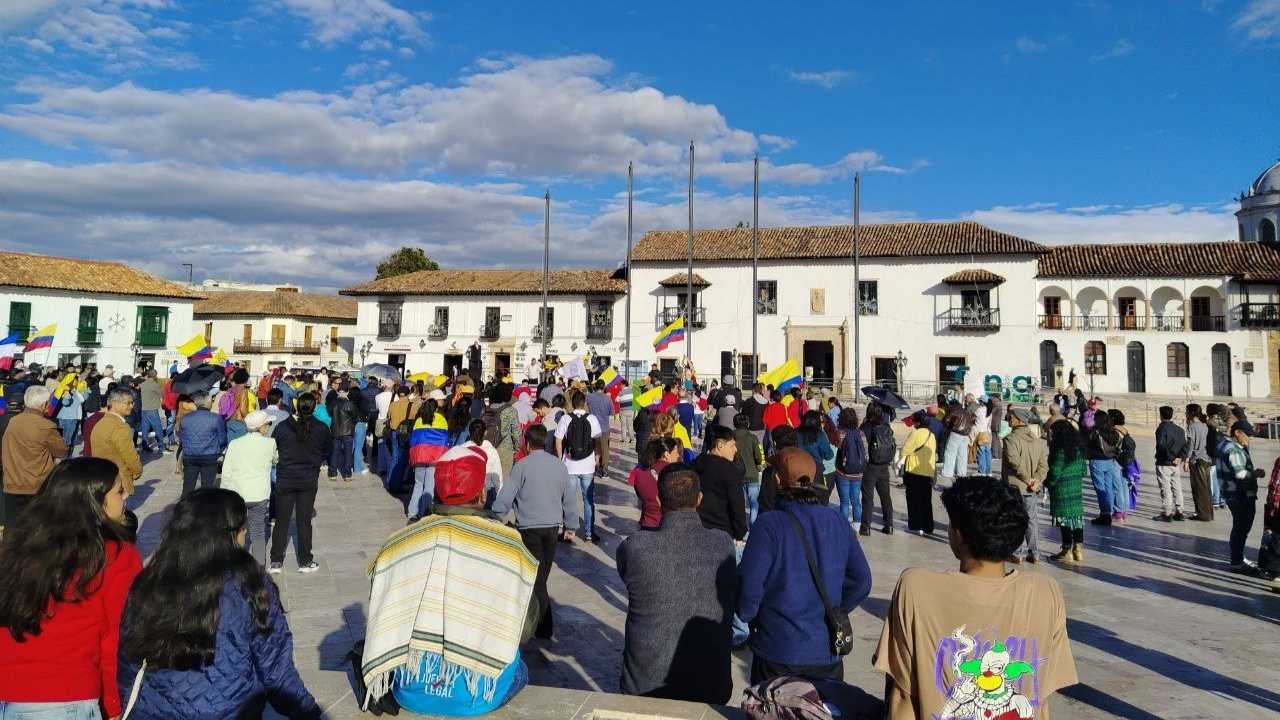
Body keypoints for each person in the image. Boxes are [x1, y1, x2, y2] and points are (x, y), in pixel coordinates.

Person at [873, 476, 1078, 720]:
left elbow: (903, 698)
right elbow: (1041, 701)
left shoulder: (916, 588)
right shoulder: (1046, 593)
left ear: (959, 533)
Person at [118, 488, 319, 718]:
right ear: (231, 534)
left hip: (154, 711)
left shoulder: (150, 580)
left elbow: (127, 662)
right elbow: (276, 670)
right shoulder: (249, 583)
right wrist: (309, 712)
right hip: (226, 710)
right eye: (242, 528)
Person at [0, 457, 141, 719]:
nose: (126, 497)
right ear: (95, 502)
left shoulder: (18, 547)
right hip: (63, 697)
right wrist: (112, 703)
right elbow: (118, 638)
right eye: (119, 491)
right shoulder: (115, 556)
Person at [737, 447, 872, 684]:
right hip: (826, 652)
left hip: (778, 651)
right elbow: (862, 581)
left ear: (777, 479)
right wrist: (835, 611)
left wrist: (752, 616)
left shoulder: (768, 526)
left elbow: (749, 589)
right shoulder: (836, 520)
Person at [617, 467, 736, 703]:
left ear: (659, 499)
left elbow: (625, 572)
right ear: (699, 499)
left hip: (646, 683)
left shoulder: (635, 547)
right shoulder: (723, 543)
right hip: (711, 682)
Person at [491, 424, 579, 639]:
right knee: (541, 577)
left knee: (536, 579)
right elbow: (569, 498)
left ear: (527, 444)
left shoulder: (521, 466)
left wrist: (495, 514)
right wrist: (571, 525)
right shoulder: (559, 466)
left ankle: (543, 624)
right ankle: (539, 625)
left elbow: (506, 496)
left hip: (528, 529)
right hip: (551, 529)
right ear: (545, 443)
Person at [269, 393, 332, 574]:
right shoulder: (321, 428)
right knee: (304, 521)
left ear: (296, 406)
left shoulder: (282, 427)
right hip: (308, 478)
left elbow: (275, 446)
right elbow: (328, 450)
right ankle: (305, 560)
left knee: (282, 520)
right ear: (314, 407)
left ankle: (276, 561)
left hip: (286, 477)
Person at [1, 385, 69, 525]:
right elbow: (62, 451)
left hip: (12, 481)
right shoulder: (45, 425)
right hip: (35, 485)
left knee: (13, 527)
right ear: (44, 404)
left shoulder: (14, 421)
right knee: (35, 528)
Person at [220, 410, 278, 566]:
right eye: (268, 424)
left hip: (237, 493)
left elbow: (226, 472)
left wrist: (225, 493)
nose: (268, 426)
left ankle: (237, 564)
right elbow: (275, 460)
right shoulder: (270, 443)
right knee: (258, 531)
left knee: (238, 530)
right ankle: (259, 567)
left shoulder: (234, 444)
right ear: (260, 427)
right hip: (259, 494)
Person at [1218, 420, 1267, 575]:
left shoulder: (1224, 445)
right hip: (1240, 494)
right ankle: (1237, 561)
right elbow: (1240, 474)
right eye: (1247, 435)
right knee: (1241, 528)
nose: (1249, 439)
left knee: (1239, 527)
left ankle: (1237, 557)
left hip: (1231, 493)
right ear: (1237, 433)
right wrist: (1256, 473)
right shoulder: (1234, 450)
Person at [555, 391, 603, 543]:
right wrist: (597, 457)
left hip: (569, 465)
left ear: (573, 403)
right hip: (588, 466)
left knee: (569, 500)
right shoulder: (592, 419)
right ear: (585, 403)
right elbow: (598, 440)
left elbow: (558, 439)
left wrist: (559, 458)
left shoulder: (565, 418)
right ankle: (589, 533)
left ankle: (569, 531)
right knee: (588, 501)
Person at [1003, 406, 1047, 564]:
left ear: (1019, 420)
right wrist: (1037, 480)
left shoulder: (1010, 439)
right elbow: (1044, 466)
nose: (1008, 419)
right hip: (1031, 488)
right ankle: (1034, 553)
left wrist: (1029, 480)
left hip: (1016, 486)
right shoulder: (1037, 440)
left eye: (1011, 417)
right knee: (1031, 520)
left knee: (1015, 519)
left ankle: (1017, 553)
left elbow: (1015, 463)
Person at [693, 426, 750, 543]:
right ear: (720, 445)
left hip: (696, 528)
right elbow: (737, 506)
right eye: (732, 445)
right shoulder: (730, 471)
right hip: (722, 533)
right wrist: (740, 532)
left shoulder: (695, 464)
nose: (735, 450)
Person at [1045, 417, 1087, 563]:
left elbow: (1055, 471)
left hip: (1062, 488)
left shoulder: (1060, 450)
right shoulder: (1079, 448)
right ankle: (1078, 549)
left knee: (1065, 520)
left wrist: (1048, 483)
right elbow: (1083, 470)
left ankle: (1066, 549)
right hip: (1075, 487)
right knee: (1076, 518)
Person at [87, 387, 143, 497]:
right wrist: (137, 470)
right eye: (129, 403)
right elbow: (129, 455)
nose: (132, 406)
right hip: (118, 480)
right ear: (116, 403)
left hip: (101, 477)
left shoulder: (101, 422)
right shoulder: (120, 426)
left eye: (132, 403)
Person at [407, 391, 451, 519]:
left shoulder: (418, 421)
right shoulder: (441, 419)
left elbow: (413, 441)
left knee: (418, 484)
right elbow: (445, 439)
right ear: (436, 407)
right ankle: (424, 513)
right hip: (434, 458)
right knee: (429, 486)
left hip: (419, 457)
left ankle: (412, 512)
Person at [177, 391, 227, 496]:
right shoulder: (216, 418)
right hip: (209, 456)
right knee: (207, 488)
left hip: (190, 456)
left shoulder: (185, 418)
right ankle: (205, 510)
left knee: (188, 486)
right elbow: (222, 440)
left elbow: (182, 437)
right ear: (208, 403)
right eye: (211, 401)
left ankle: (184, 508)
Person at [860, 402, 896, 536]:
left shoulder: (865, 427)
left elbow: (861, 446)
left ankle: (866, 527)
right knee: (885, 497)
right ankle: (889, 525)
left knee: (868, 497)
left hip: (870, 467)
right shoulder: (886, 426)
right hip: (884, 466)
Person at [628, 436, 679, 531]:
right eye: (676, 452)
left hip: (647, 524)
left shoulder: (639, 472)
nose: (678, 455)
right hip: (667, 525)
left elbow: (640, 495)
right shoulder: (675, 473)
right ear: (667, 454)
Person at [900, 410, 938, 535]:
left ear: (917, 422)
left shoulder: (915, 434)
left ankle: (915, 526)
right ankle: (928, 527)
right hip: (928, 471)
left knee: (913, 499)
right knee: (926, 500)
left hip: (914, 470)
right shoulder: (931, 435)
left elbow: (905, 451)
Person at [1152, 405, 1188, 522]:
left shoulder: (1161, 429)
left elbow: (1161, 445)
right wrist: (1180, 457)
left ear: (1161, 415)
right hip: (1175, 463)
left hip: (1164, 462)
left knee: (1165, 487)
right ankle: (1180, 511)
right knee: (1177, 487)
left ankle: (1167, 512)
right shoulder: (1180, 430)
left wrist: (1170, 457)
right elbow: (1185, 445)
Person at [833, 407, 865, 528]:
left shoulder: (840, 433)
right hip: (858, 473)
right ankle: (857, 524)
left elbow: (836, 449)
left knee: (844, 501)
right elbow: (865, 452)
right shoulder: (860, 433)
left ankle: (843, 525)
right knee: (856, 500)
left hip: (843, 472)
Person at [461, 418, 503, 505]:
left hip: (467, 491)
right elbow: (497, 477)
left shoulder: (462, 449)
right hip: (487, 493)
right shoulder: (492, 451)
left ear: (469, 432)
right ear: (485, 432)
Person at [795, 410, 835, 501]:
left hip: (798, 469)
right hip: (816, 470)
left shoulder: (795, 432)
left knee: (800, 499)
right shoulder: (819, 435)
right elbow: (828, 455)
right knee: (819, 498)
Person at [733, 412, 764, 523]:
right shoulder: (752, 438)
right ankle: (753, 525)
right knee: (754, 503)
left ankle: (739, 527)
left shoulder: (731, 436)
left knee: (738, 503)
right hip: (752, 474)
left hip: (736, 474)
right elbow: (758, 457)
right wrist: (759, 464)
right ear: (747, 424)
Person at [1184, 403, 1213, 521]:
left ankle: (1202, 514)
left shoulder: (1192, 426)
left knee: (1198, 489)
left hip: (1197, 460)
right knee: (1206, 488)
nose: (1185, 414)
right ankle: (1208, 513)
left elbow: (1190, 445)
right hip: (1206, 459)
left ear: (1191, 413)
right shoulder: (1205, 425)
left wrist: (1186, 460)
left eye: (1186, 412)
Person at [327, 383, 358, 482]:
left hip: (335, 431)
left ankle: (333, 473)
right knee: (348, 453)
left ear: (338, 392)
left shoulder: (333, 403)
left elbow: (330, 413)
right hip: (348, 431)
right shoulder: (350, 404)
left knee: (335, 452)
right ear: (347, 392)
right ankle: (347, 474)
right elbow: (355, 417)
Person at [939, 401, 973, 483]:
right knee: (962, 454)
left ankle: (947, 472)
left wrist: (949, 427)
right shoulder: (966, 411)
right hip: (966, 434)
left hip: (956, 433)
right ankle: (961, 472)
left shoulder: (954, 410)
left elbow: (946, 420)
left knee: (950, 452)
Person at [587, 380, 614, 478]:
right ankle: (605, 470)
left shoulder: (589, 397)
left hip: (592, 427)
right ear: (604, 387)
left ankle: (595, 466)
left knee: (594, 448)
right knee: (605, 449)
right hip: (604, 428)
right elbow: (611, 414)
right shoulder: (607, 399)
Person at [137, 369, 165, 452]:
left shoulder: (143, 384)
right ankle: (161, 446)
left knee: (145, 428)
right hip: (152, 408)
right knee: (158, 427)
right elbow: (162, 394)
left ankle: (145, 446)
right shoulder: (155, 384)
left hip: (144, 408)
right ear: (155, 375)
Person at [972, 397, 993, 475]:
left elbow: (973, 418)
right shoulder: (990, 411)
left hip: (980, 433)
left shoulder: (979, 410)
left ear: (982, 402)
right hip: (988, 433)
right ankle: (989, 472)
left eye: (979, 401)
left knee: (981, 452)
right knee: (988, 453)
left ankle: (982, 471)